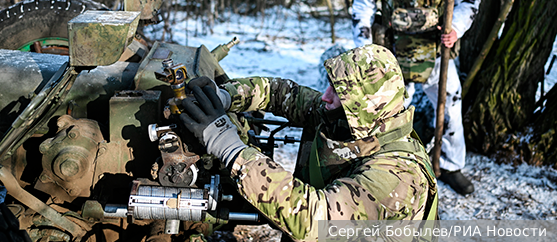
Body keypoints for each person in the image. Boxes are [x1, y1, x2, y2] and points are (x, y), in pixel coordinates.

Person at [180, 45, 438, 241]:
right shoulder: (354, 120)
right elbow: (281, 94)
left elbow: (317, 219)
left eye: (338, 93)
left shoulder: (397, 177)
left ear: (365, 106)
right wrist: (227, 96)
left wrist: (231, 148)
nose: (325, 97)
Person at [351, 0, 480, 195]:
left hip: (434, 51)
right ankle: (383, 166)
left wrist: (455, 28)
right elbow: (362, 6)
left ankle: (449, 165)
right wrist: (364, 47)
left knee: (451, 104)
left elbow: (469, 1)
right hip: (392, 51)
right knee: (387, 111)